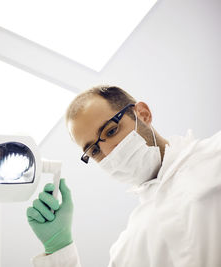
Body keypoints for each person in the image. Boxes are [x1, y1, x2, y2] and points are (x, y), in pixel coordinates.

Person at [26, 85, 221, 267]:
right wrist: (60, 250)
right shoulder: (127, 248)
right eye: (94, 151)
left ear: (143, 114)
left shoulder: (215, 154)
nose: (108, 152)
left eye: (111, 131)